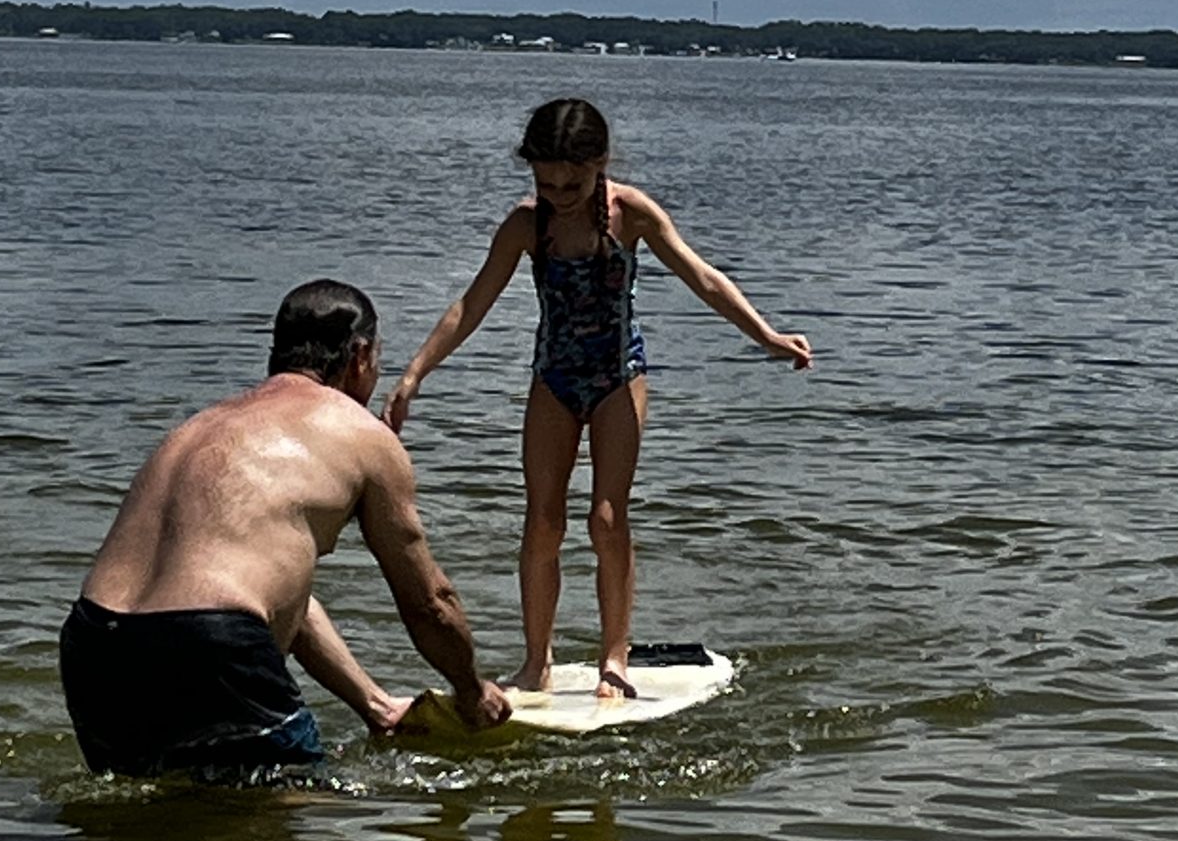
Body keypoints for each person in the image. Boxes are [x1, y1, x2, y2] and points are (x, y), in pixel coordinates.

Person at [382, 98, 811, 701]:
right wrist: (415, 373)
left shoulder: (629, 213)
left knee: (607, 519)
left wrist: (766, 335)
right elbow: (470, 304)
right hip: (553, 379)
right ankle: (537, 662)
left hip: (617, 378)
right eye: (545, 181)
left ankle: (615, 657)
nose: (559, 192)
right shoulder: (526, 225)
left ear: (601, 164)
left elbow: (702, 276)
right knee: (542, 520)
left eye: (572, 181)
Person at [60, 279, 510, 778]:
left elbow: (278, 600)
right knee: (291, 816)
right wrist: (471, 688)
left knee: (139, 826)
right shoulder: (362, 435)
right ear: (360, 355)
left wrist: (375, 706)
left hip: (94, 643)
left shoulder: (203, 426)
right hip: (212, 644)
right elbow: (429, 601)